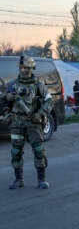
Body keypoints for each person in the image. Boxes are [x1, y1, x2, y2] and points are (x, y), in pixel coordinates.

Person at [4, 55, 53, 189]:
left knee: (39, 151)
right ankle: (18, 179)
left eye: (26, 67)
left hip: (33, 123)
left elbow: (49, 101)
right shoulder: (12, 84)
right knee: (16, 152)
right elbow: (3, 102)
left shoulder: (38, 85)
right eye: (21, 67)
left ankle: (41, 179)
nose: (23, 70)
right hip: (16, 123)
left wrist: (40, 114)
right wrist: (7, 100)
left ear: (32, 68)